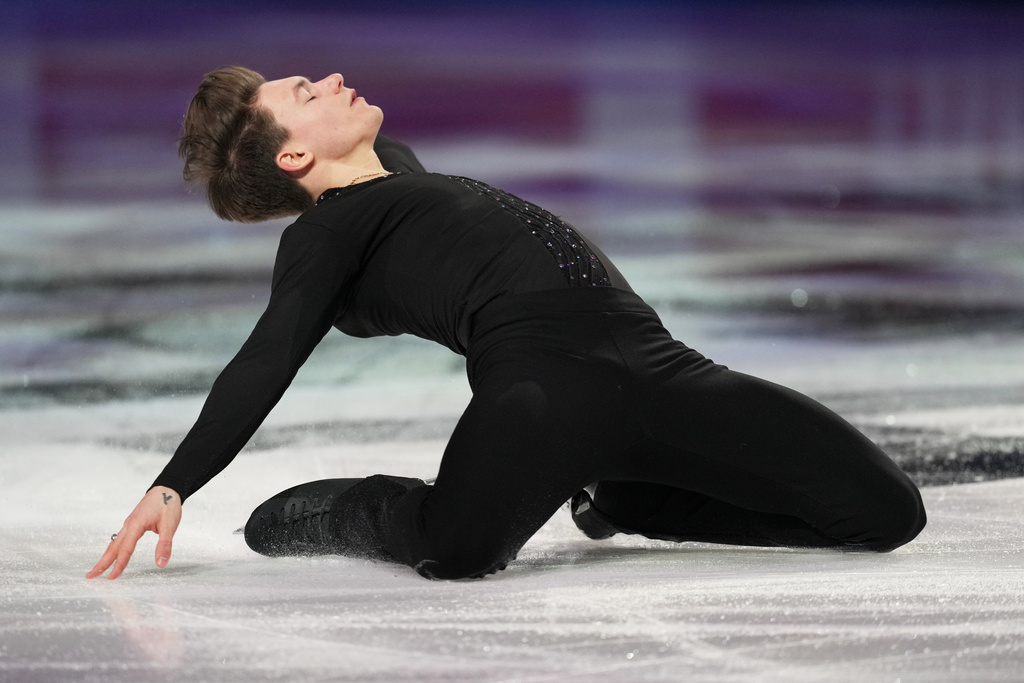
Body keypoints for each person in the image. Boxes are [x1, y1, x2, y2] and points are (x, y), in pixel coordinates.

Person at [87, 66, 926, 582]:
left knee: (885, 515)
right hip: (540, 392)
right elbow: (267, 356)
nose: (332, 79)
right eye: (306, 94)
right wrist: (173, 485)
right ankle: (349, 511)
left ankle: (629, 501)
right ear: (294, 158)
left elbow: (359, 158)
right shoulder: (326, 232)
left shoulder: (398, 173)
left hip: (664, 365)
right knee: (458, 551)